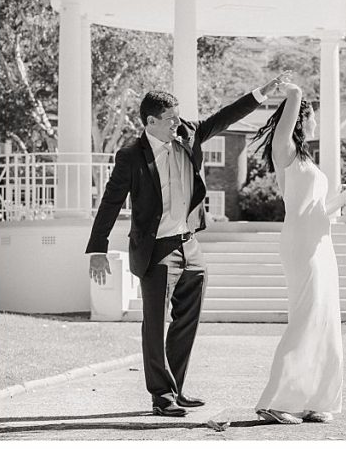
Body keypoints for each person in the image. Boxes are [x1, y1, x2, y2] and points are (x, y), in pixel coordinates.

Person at [86, 72, 290, 417]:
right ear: (150, 121)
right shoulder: (131, 157)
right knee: (154, 323)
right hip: (156, 250)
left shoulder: (188, 135)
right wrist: (97, 249)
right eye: (169, 120)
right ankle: (160, 396)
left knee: (187, 320)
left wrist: (262, 93)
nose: (177, 125)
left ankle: (176, 388)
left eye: (178, 118)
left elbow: (225, 116)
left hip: (190, 245)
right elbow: (110, 202)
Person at [253, 82, 346, 424]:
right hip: (300, 244)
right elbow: (292, 107)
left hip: (322, 242)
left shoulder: (308, 160)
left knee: (325, 320)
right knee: (306, 318)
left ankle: (314, 399)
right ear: (301, 119)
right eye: (313, 118)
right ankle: (275, 401)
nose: (316, 124)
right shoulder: (286, 150)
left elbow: (321, 208)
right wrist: (293, 92)